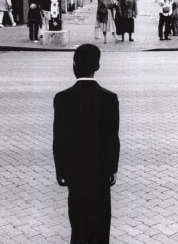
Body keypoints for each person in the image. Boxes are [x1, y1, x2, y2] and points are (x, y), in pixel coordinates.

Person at [53, 43, 120, 244]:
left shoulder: (62, 98)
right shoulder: (109, 98)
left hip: (75, 173)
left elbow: (59, 139)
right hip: (100, 173)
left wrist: (61, 170)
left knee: (79, 226)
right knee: (101, 227)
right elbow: (112, 138)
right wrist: (112, 169)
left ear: (74, 65)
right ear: (97, 66)